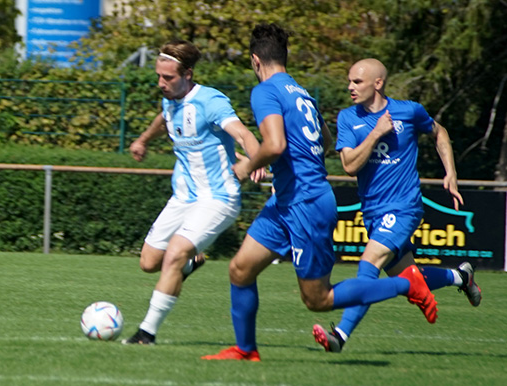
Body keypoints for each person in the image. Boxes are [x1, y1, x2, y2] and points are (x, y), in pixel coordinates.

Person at [201, 24, 438, 362]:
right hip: (286, 201)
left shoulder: (265, 91)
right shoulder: (299, 91)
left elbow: (275, 144)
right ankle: (245, 350)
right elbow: (323, 142)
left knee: (318, 299)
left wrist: (245, 167)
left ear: (256, 61)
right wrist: (285, 163)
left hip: (306, 203)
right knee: (240, 269)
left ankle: (407, 284)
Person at [312, 58, 482, 353]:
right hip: (372, 212)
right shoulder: (347, 118)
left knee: (368, 265)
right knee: (406, 279)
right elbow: (350, 165)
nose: (350, 87)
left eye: (357, 81)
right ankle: (461, 276)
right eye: (349, 81)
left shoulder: (409, 111)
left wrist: (450, 172)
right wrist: (376, 133)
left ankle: (339, 336)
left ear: (378, 83)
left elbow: (439, 133)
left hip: (404, 208)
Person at [123, 39, 266, 345]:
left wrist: (256, 161)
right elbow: (164, 119)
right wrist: (144, 139)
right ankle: (188, 265)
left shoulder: (211, 102)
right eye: (159, 77)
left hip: (218, 198)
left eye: (168, 78)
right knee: (149, 262)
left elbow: (242, 133)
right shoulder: (170, 99)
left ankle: (146, 334)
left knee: (173, 254)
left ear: (187, 74)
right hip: (183, 197)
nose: (161, 84)